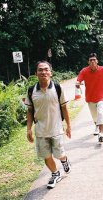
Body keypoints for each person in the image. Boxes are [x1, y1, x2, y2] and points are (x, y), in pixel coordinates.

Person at [25, 61, 71, 189]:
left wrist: (68, 125)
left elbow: (64, 107)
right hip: (40, 130)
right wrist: (28, 129)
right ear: (36, 73)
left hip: (56, 129)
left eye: (46, 69)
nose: (43, 72)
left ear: (50, 73)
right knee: (46, 156)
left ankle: (64, 159)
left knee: (59, 154)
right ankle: (55, 174)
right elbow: (29, 110)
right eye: (40, 70)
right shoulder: (31, 91)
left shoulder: (57, 87)